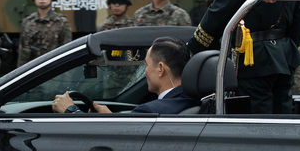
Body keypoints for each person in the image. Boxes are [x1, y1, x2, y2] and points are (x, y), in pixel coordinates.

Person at [53, 36, 197, 114]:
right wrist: (110, 118)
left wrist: (71, 111)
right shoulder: (195, 101)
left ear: (160, 69)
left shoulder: (150, 112)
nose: (145, 71)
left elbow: (118, 141)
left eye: (147, 65)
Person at [17, 0, 72, 67]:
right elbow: (22, 54)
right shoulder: (27, 22)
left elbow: (66, 54)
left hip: (53, 70)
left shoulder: (62, 22)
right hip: (31, 70)